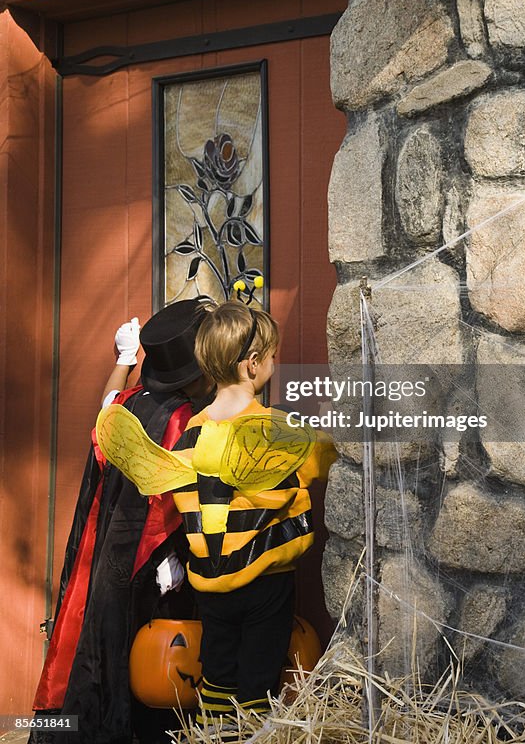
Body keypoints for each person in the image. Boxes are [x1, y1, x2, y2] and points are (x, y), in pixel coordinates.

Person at [96, 301, 336, 740]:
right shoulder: (277, 428)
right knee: (260, 683)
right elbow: (323, 458)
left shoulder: (189, 433)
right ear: (253, 364)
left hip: (209, 581)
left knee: (218, 678)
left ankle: (214, 735)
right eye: (272, 356)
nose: (274, 364)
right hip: (265, 579)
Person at [31, 298, 215, 744]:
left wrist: (124, 360)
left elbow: (105, 407)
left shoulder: (132, 400)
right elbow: (169, 499)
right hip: (147, 561)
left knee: (92, 636)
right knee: (137, 661)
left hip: (104, 551)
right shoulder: (181, 418)